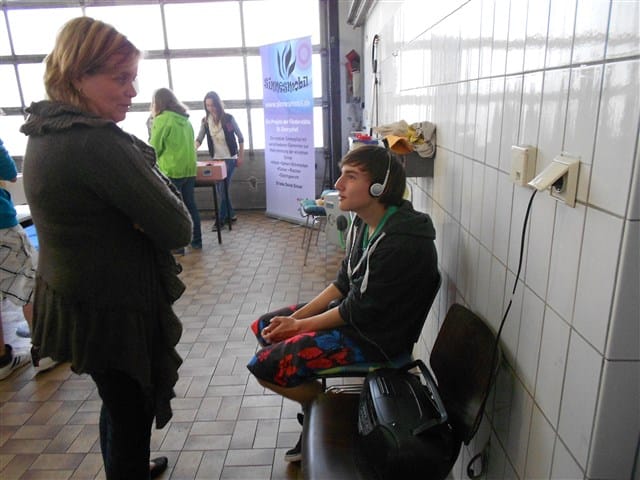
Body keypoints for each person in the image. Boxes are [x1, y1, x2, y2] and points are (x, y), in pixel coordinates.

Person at [20, 17, 192, 479]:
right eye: (120, 78)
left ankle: (126, 465)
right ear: (78, 76)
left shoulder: (46, 128)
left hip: (76, 296)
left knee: (117, 401)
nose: (133, 91)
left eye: (133, 77)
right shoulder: (95, 142)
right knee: (131, 408)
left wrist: (139, 214)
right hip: (110, 308)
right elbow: (177, 226)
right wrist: (144, 212)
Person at [246, 145, 440, 462]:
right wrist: (296, 320)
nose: (338, 185)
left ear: (379, 187)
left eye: (350, 176)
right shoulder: (364, 222)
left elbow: (355, 310)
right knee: (266, 327)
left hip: (376, 340)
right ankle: (320, 412)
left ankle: (319, 413)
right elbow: (342, 283)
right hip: (358, 321)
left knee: (264, 366)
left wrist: (298, 326)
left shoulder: (400, 242)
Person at [0, 137, 57, 380]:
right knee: (31, 282)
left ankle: (2, 360)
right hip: (2, 226)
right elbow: (10, 172)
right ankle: (44, 349)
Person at [149, 87, 201, 251]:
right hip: (189, 170)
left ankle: (179, 246)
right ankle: (197, 241)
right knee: (190, 206)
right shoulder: (186, 120)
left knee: (174, 210)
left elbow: (154, 148)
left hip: (171, 170)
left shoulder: (162, 120)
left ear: (158, 102)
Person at [194, 91, 244, 229]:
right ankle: (231, 214)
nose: (211, 108)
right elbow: (199, 138)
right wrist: (193, 149)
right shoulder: (205, 121)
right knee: (221, 190)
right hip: (216, 160)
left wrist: (241, 156)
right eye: (208, 105)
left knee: (223, 189)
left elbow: (240, 138)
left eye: (213, 105)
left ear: (218, 104)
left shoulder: (228, 119)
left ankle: (220, 220)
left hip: (229, 159)